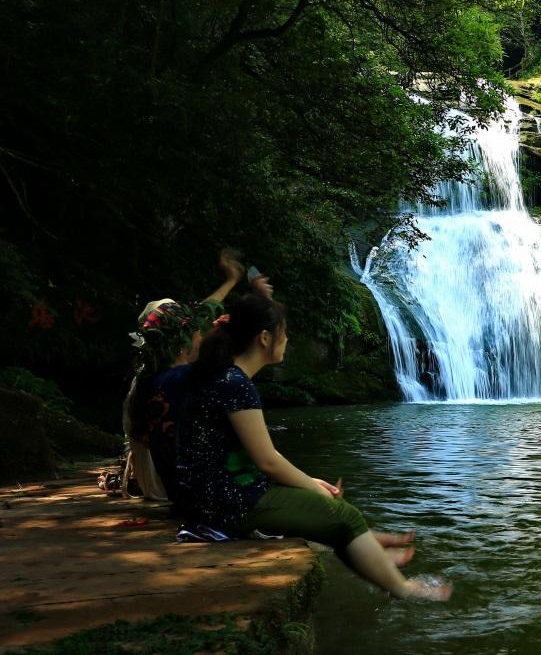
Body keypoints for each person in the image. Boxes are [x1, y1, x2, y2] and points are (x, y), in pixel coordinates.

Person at [178, 293, 450, 601]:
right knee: (344, 516)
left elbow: (263, 454)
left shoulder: (223, 378)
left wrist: (311, 482)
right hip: (229, 504)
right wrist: (312, 488)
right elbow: (267, 461)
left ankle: (377, 567)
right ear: (265, 338)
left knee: (332, 513)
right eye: (284, 331)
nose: (288, 338)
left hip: (212, 497)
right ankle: (403, 588)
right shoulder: (236, 384)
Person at [122, 249, 273, 500]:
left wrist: (231, 282)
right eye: (195, 331)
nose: (201, 334)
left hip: (156, 482)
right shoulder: (181, 379)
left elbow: (204, 313)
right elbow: (232, 360)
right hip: (173, 488)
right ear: (182, 343)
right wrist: (260, 305)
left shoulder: (149, 376)